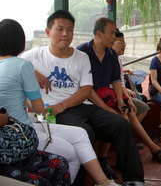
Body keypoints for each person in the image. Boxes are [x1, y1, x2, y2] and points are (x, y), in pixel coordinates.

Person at [21, 11, 143, 186]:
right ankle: (79, 181)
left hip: (79, 106)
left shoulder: (81, 57)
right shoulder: (32, 56)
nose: (65, 34)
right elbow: (7, 62)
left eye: (69, 30)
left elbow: (86, 89)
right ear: (48, 32)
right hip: (53, 111)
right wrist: (32, 71)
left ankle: (134, 179)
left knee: (121, 124)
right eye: (60, 29)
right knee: (85, 132)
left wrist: (63, 105)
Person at [0, 19, 118, 186]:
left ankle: (104, 182)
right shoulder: (23, 65)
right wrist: (47, 107)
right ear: (19, 41)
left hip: (13, 128)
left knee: (80, 134)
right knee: (73, 152)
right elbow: (39, 109)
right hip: (21, 132)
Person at [77, 20, 161, 165]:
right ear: (99, 33)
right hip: (87, 100)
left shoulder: (111, 55)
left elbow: (116, 81)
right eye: (112, 34)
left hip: (108, 97)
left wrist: (122, 101)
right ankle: (112, 157)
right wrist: (107, 107)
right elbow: (85, 87)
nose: (114, 38)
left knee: (126, 110)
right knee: (122, 118)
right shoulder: (83, 52)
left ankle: (145, 150)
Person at [113, 29, 150, 123]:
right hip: (115, 96)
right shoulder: (109, 60)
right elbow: (116, 83)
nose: (124, 45)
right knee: (138, 108)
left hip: (121, 94)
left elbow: (119, 80)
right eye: (120, 42)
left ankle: (131, 134)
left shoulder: (117, 59)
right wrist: (127, 98)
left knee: (142, 103)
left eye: (124, 42)